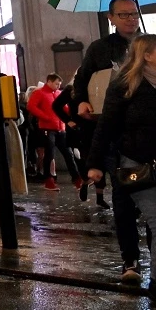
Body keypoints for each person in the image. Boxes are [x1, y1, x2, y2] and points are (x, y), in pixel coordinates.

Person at [77, 0, 143, 283]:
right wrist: (81, 101)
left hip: (148, 134)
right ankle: (130, 259)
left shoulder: (149, 44)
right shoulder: (100, 49)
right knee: (124, 199)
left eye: (134, 13)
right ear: (111, 18)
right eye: (124, 14)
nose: (131, 19)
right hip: (116, 134)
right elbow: (82, 80)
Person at [88, 34, 156, 285]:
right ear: (146, 55)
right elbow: (105, 126)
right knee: (144, 215)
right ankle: (133, 262)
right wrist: (94, 164)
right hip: (133, 162)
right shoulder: (124, 85)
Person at [53, 75, 108, 208]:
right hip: (78, 131)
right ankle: (85, 181)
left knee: (100, 162)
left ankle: (99, 196)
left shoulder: (96, 87)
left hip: (95, 129)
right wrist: (68, 121)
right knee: (83, 161)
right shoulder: (71, 90)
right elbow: (56, 106)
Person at [28, 73, 83, 192]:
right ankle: (49, 180)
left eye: (59, 84)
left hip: (60, 128)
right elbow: (31, 106)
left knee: (68, 154)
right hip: (47, 128)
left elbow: (65, 109)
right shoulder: (39, 93)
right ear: (49, 82)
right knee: (49, 154)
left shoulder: (58, 94)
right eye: (57, 84)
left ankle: (76, 178)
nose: (58, 86)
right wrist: (46, 117)